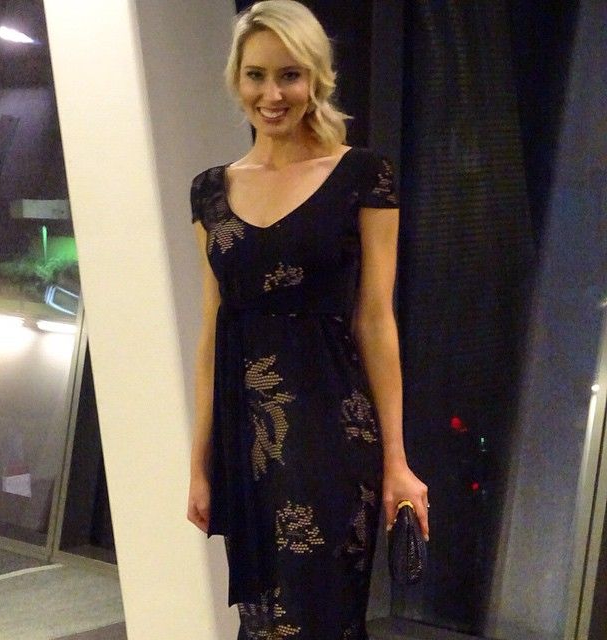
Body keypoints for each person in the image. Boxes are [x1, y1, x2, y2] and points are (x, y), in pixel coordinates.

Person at [187, 1, 428, 637]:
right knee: (265, 623)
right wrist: (200, 463)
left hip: (334, 435)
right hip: (249, 442)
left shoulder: (363, 176)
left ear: (316, 78)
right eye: (256, 75)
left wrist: (397, 460)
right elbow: (212, 329)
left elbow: (375, 320)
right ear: (236, 79)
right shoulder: (210, 192)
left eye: (289, 75)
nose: (272, 94)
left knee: (321, 617)